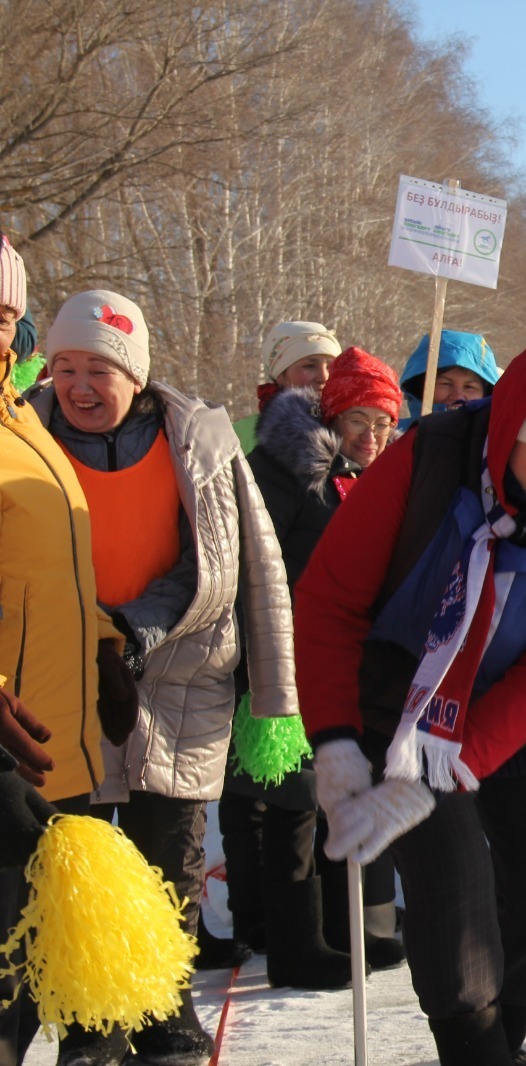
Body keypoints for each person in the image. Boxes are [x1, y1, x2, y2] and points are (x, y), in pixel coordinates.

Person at [293, 332, 526, 1066]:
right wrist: (336, 739)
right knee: (454, 894)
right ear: (510, 425)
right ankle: (473, 1046)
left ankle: (501, 1039)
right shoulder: (429, 460)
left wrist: (462, 764)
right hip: (402, 695)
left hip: (517, 709)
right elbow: (330, 600)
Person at [34, 288, 299, 1066]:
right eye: (65, 368)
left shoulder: (202, 442)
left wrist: (140, 630)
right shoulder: (24, 437)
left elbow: (235, 561)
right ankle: (91, 1018)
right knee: (77, 853)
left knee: (168, 855)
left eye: (100, 370)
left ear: (137, 375)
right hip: (64, 670)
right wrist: (90, 635)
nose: (80, 387)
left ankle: (161, 1006)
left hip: (180, 670)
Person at [219, 346, 407, 990]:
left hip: (345, 659)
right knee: (292, 802)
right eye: (358, 421)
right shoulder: (288, 467)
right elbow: (254, 559)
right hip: (285, 655)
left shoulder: (366, 475)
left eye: (384, 423)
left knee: (332, 793)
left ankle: (339, 928)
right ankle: (296, 945)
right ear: (332, 417)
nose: (372, 436)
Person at [0, 240, 140, 1066]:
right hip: (9, 753)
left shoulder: (24, 419)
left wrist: (105, 646)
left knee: (46, 986)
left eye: (2, 316)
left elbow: (49, 570)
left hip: (57, 748)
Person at [233, 320, 342, 452]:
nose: (324, 377)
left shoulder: (352, 430)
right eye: (309, 366)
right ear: (280, 374)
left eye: (331, 366)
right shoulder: (240, 436)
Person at [398, 328, 501, 429]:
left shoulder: (494, 438)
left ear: (486, 393)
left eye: (469, 387)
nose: (458, 396)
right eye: (446, 384)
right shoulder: (398, 436)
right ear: (420, 386)